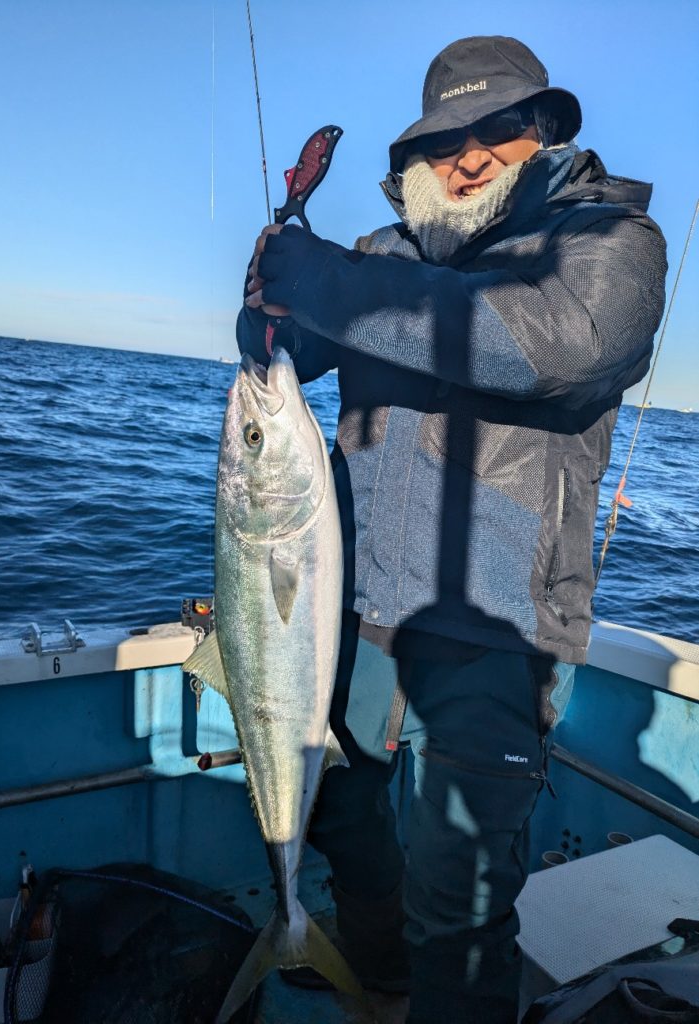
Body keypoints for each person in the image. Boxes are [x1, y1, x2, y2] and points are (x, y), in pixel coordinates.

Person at [237, 35, 667, 1024]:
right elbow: (279, 347)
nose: (466, 157)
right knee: (339, 819)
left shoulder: (607, 244)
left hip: (498, 628)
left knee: (458, 895)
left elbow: (549, 346)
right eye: (441, 141)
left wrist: (328, 283)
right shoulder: (381, 255)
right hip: (354, 611)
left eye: (495, 130)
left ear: (544, 131)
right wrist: (267, 305)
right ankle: (376, 972)